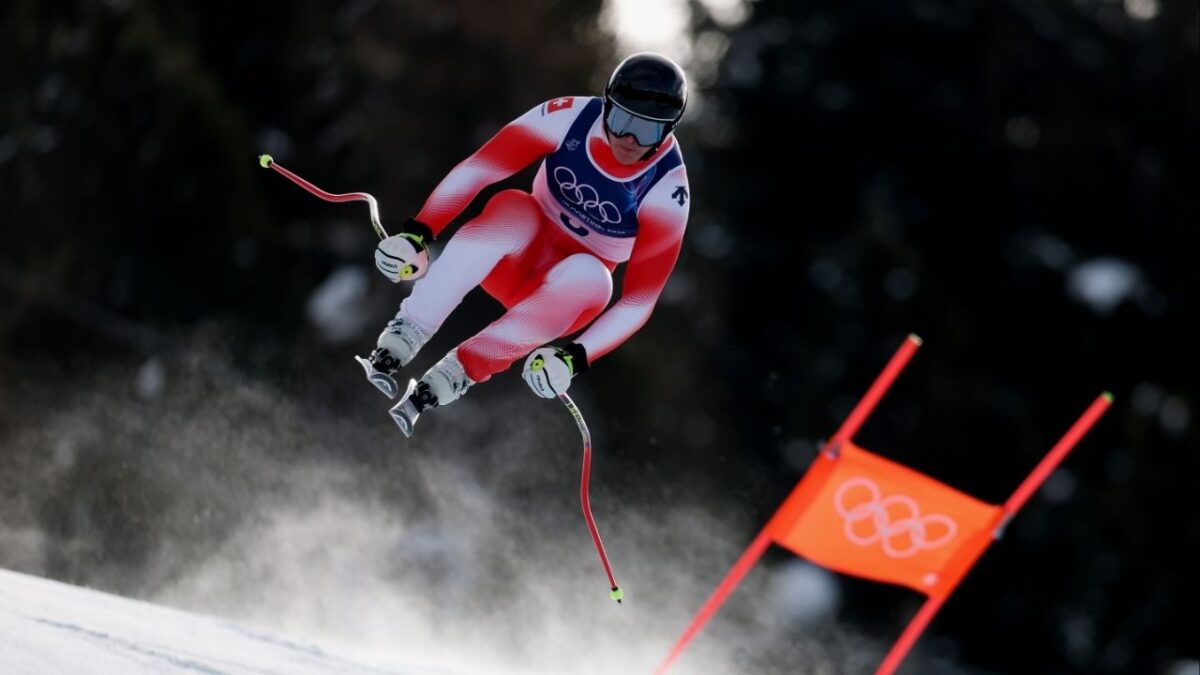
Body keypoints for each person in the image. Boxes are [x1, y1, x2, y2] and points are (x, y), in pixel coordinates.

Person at [358, 52, 692, 436]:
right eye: (620, 121)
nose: (629, 140)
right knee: (514, 208)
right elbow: (481, 167)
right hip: (515, 256)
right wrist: (419, 232)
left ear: (669, 130)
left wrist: (573, 358)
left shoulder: (668, 189)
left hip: (561, 297)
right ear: (605, 105)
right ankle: (406, 332)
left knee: (595, 279)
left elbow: (639, 301)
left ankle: (457, 373)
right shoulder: (570, 118)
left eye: (648, 130)